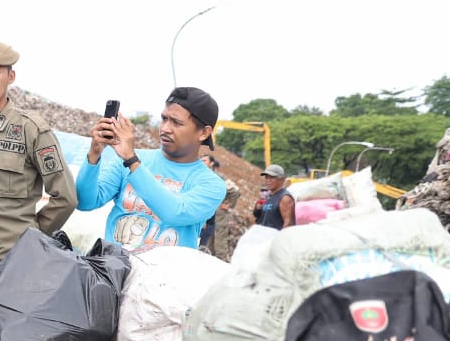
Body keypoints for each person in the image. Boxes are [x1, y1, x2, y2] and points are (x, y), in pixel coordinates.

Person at [0, 41, 77, 307]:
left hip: (15, 263)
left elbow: (65, 197)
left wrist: (30, 239)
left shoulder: (31, 129)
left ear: (11, 77)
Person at [77, 87, 227, 251]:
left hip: (165, 275)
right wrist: (94, 152)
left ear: (204, 133)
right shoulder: (126, 160)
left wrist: (131, 160)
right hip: (111, 271)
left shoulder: (212, 185)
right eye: (164, 119)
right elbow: (85, 202)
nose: (165, 128)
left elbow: (175, 212)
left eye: (176, 122)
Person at [198, 155, 241, 253]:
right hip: (206, 214)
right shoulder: (201, 177)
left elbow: (236, 191)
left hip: (218, 215)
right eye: (200, 160)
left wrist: (228, 206)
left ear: (211, 163)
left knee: (219, 245)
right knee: (206, 245)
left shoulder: (218, 177)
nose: (201, 162)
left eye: (204, 160)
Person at [255, 164, 296, 229]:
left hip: (276, 237)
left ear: (281, 179)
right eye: (266, 177)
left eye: (271, 178)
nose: (268, 181)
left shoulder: (285, 198)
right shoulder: (268, 196)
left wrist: (280, 238)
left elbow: (288, 223)